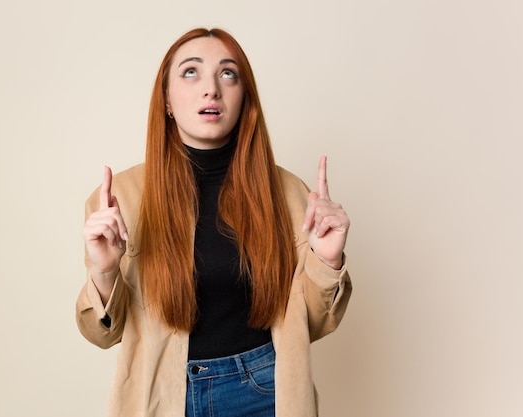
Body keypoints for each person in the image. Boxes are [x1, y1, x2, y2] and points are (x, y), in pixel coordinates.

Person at [76, 27, 352, 417]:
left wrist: (327, 262)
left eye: (228, 73)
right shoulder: (120, 199)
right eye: (191, 72)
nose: (211, 89)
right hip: (163, 396)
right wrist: (104, 273)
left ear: (244, 99)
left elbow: (316, 324)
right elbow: (101, 333)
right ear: (167, 100)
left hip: (265, 391)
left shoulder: (291, 194)